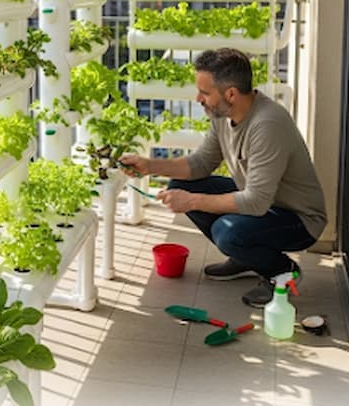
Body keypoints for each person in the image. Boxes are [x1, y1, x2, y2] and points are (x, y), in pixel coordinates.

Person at [120, 48, 327, 307]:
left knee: (226, 233)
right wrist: (149, 165)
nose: (199, 99)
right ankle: (247, 258)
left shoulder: (267, 125)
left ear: (230, 93)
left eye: (205, 93)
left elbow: (255, 202)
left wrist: (192, 202)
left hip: (298, 218)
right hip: (264, 202)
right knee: (182, 184)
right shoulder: (224, 115)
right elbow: (200, 164)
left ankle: (281, 272)